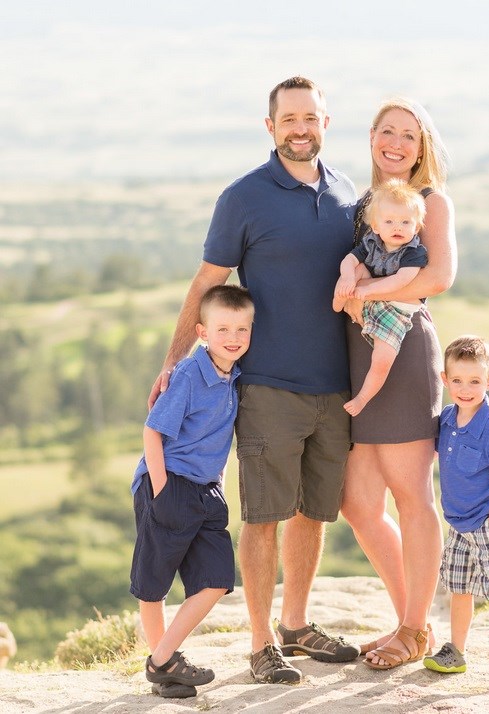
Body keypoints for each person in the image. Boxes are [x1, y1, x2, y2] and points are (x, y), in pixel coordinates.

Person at [148, 76, 360, 685]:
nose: (301, 128)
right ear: (270, 127)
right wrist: (171, 363)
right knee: (264, 515)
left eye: (311, 118)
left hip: (335, 389)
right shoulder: (243, 197)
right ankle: (262, 642)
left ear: (325, 123)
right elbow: (207, 284)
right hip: (267, 384)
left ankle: (296, 625)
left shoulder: (348, 193)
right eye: (289, 119)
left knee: (313, 513)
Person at [340, 97, 457, 670]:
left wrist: (361, 294)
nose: (395, 142)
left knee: (411, 493)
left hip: (404, 350)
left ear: (422, 147)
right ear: (370, 138)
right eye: (386, 131)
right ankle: (413, 621)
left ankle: (412, 629)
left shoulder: (430, 202)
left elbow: (438, 275)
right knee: (358, 503)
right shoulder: (366, 205)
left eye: (408, 135)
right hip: (358, 357)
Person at [131, 285, 255, 699]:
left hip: (207, 491)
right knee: (154, 583)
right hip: (169, 484)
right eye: (223, 329)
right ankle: (166, 669)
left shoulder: (235, 374)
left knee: (217, 579)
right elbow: (152, 430)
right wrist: (164, 492)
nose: (234, 337)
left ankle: (162, 658)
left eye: (242, 329)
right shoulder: (187, 374)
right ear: (202, 332)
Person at [424, 335, 489, 693]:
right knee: (459, 589)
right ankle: (456, 650)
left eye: (475, 381)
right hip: (458, 525)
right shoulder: (448, 419)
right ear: (444, 379)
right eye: (457, 380)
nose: (465, 389)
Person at [333, 178, 427, 416]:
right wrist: (347, 278)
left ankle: (363, 398)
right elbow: (349, 259)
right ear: (376, 226)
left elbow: (401, 281)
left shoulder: (414, 252)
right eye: (390, 222)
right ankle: (340, 299)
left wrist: (366, 291)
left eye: (406, 222)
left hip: (397, 311)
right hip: (371, 300)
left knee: (382, 359)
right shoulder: (372, 242)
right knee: (356, 269)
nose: (398, 228)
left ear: (416, 227)